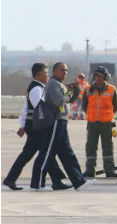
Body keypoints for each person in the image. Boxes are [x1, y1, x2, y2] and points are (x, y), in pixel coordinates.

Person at [3, 63, 70, 191]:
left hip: (33, 127)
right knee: (45, 153)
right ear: (38, 74)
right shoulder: (36, 89)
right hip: (36, 128)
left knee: (31, 154)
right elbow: (41, 107)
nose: (48, 75)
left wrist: (23, 125)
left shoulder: (37, 87)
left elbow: (26, 108)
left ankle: (10, 179)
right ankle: (54, 181)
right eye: (45, 73)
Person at [31, 62, 94, 190]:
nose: (65, 72)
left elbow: (69, 100)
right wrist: (68, 90)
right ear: (55, 71)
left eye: (66, 70)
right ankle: (37, 184)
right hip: (56, 122)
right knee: (47, 154)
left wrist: (76, 90)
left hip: (62, 121)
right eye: (62, 70)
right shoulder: (53, 84)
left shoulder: (59, 85)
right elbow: (59, 100)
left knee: (67, 153)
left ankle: (78, 181)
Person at [82, 66, 117, 178]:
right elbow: (85, 106)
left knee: (108, 147)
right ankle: (89, 170)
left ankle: (109, 170)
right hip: (92, 123)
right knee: (90, 147)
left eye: (101, 76)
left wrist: (106, 116)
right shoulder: (88, 90)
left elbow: (115, 107)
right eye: (97, 76)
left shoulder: (112, 90)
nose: (99, 78)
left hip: (106, 124)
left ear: (105, 77)